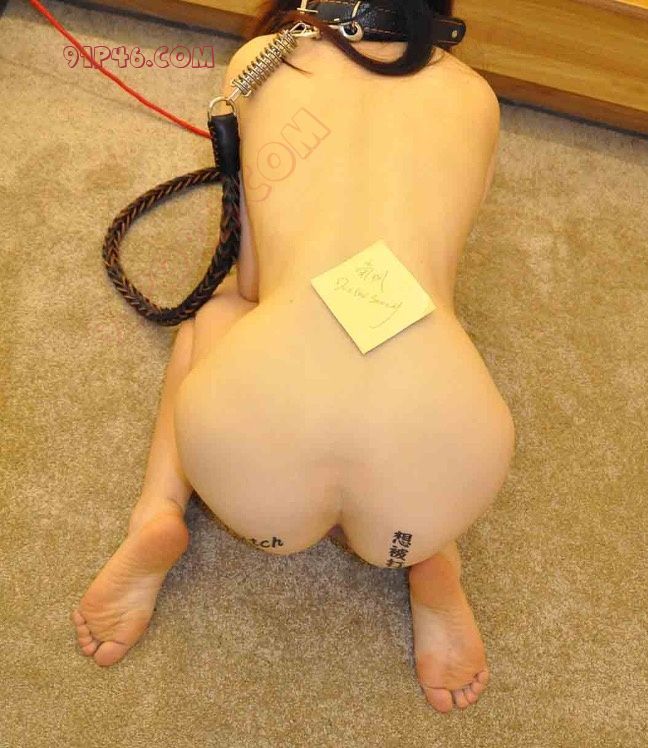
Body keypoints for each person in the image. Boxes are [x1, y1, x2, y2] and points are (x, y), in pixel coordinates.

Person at [71, 0, 513, 715]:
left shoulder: (263, 62)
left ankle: (157, 515)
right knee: (433, 327)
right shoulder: (476, 97)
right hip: (434, 481)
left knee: (220, 314)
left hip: (254, 486)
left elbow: (252, 281)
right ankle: (434, 561)